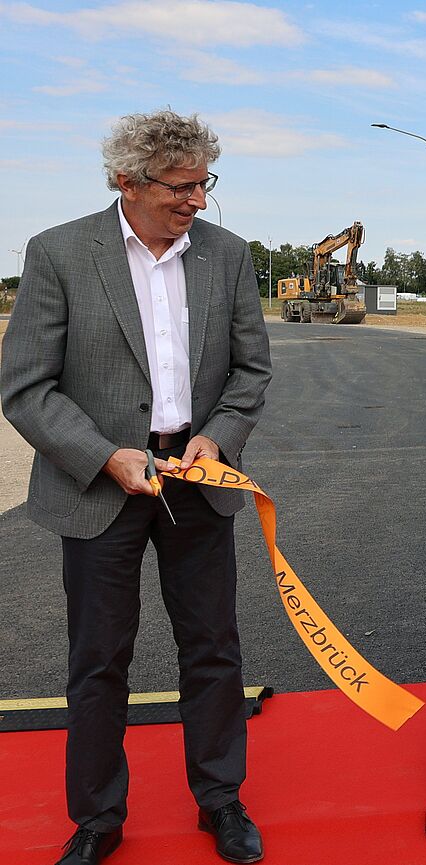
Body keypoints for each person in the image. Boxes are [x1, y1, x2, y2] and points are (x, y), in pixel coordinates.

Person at [0, 110, 272, 865]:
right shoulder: (58, 253)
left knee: (213, 648)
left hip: (196, 480)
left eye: (204, 184)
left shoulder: (229, 254)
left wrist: (217, 435)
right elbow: (25, 386)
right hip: (99, 485)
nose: (197, 202)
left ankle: (220, 799)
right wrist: (104, 455)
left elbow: (251, 371)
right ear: (127, 181)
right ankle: (96, 818)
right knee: (98, 658)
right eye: (180, 187)